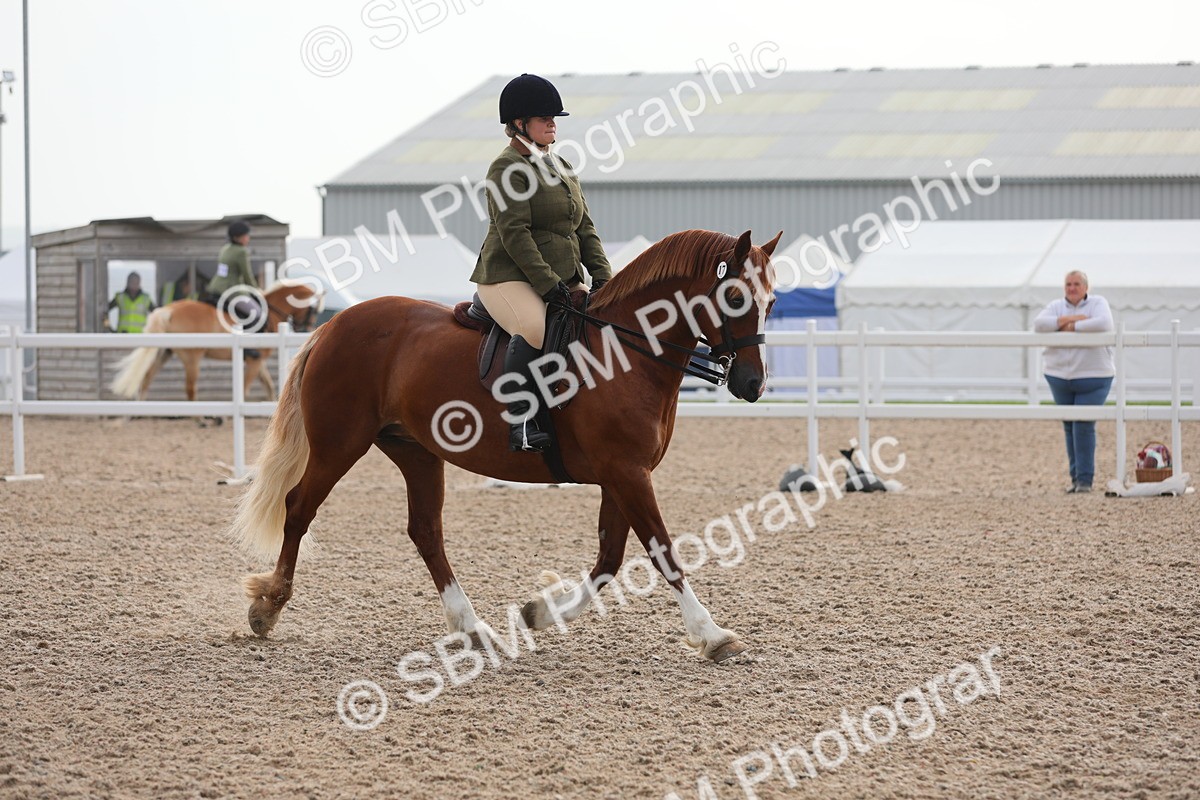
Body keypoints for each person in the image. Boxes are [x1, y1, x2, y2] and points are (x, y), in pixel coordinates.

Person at [470, 73, 614, 452]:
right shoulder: (505, 168)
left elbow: (584, 227)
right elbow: (515, 234)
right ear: (519, 124)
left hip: (560, 276)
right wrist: (550, 284)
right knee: (534, 327)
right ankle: (519, 421)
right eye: (544, 117)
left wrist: (603, 277)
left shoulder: (562, 165)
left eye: (555, 118)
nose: (553, 123)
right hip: (507, 275)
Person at [1033, 270, 1115, 493]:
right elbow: (1039, 325)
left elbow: (1103, 323)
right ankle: (1076, 479)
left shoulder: (1098, 303)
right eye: (1068, 284)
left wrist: (1068, 327)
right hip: (1060, 376)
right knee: (1070, 426)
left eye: (1076, 284)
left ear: (1086, 287)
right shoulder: (1056, 305)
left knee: (1083, 424)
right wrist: (1072, 319)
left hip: (1093, 376)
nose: (1072, 288)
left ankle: (1085, 480)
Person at [205, 220, 263, 358]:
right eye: (246, 235)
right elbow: (247, 275)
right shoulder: (242, 252)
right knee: (257, 313)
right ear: (238, 237)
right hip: (232, 291)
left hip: (215, 288)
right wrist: (256, 290)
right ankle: (247, 346)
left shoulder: (225, 248)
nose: (248, 238)